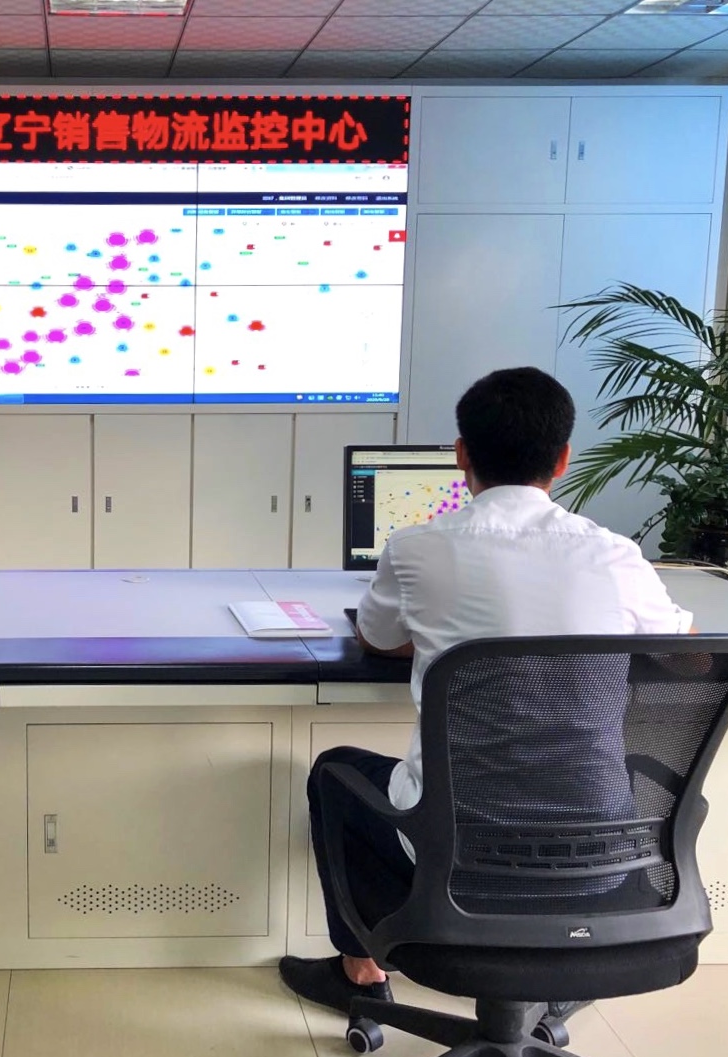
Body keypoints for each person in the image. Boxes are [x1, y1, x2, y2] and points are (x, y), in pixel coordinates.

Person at [279, 366, 694, 1017]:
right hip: (604, 854)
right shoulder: (615, 555)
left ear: (460, 454)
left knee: (336, 773)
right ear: (562, 459)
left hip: (457, 858)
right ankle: (546, 978)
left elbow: (379, 639)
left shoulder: (417, 548)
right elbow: (682, 648)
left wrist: (449, 634)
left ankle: (361, 970)